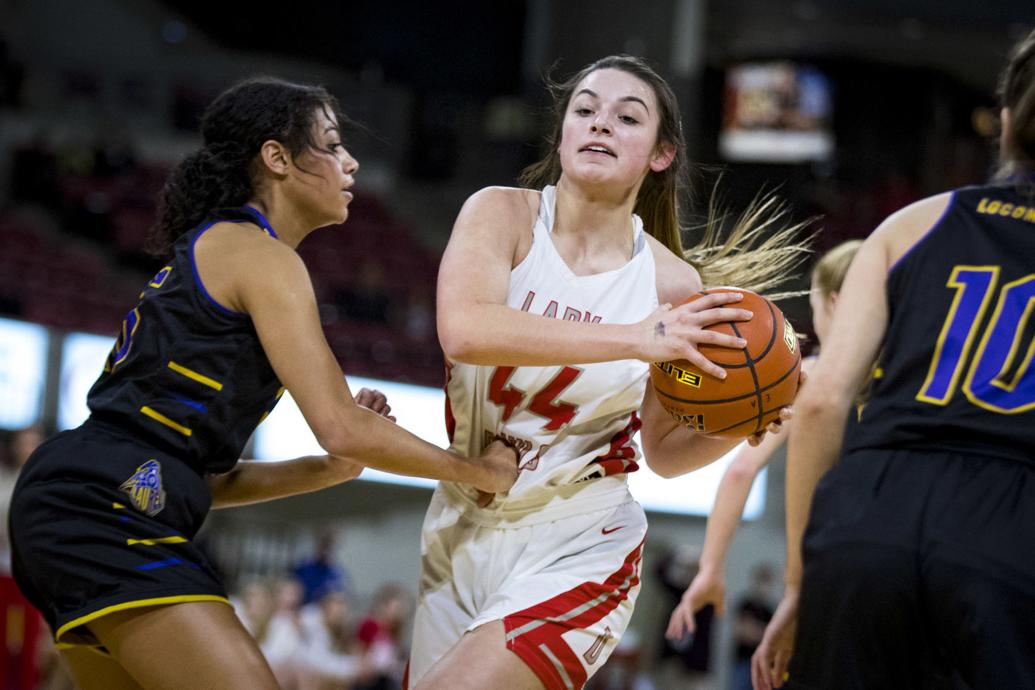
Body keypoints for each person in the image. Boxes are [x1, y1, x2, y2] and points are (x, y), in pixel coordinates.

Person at [7, 77, 518, 690]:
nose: (351, 162)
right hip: (104, 503)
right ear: (276, 158)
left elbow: (202, 480)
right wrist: (481, 471)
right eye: (332, 144)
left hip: (89, 498)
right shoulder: (261, 256)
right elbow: (342, 423)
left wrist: (330, 468)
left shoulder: (227, 251)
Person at [405, 55, 809, 690]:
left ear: (660, 155)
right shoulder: (501, 215)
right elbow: (465, 329)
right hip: (461, 524)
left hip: (581, 536)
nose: (600, 125)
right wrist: (635, 337)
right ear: (562, 133)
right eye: (585, 110)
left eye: (627, 118)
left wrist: (743, 420)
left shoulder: (674, 284)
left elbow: (664, 452)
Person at [752, 29, 1035, 690]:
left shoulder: (913, 224)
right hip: (1009, 528)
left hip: (868, 513)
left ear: (1002, 122)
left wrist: (798, 582)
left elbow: (821, 399)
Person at [664, 240, 862, 648]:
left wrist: (711, 567)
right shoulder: (916, 381)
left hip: (827, 568)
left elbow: (740, 471)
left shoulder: (810, 377)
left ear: (837, 303)